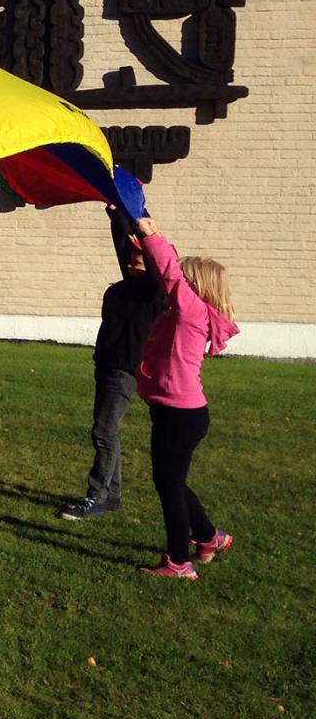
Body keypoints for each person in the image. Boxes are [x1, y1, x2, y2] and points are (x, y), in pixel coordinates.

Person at [132, 217, 239, 580]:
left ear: (195, 287)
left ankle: (178, 562)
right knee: (171, 481)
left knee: (169, 485)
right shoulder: (185, 313)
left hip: (181, 414)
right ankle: (210, 537)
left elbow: (170, 275)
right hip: (176, 411)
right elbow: (170, 274)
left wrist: (153, 237)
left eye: (183, 279)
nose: (172, 282)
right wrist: (151, 235)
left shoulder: (191, 311)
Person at [59, 208, 160, 521]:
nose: (131, 261)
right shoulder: (124, 287)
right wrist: (117, 214)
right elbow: (123, 245)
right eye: (129, 258)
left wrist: (143, 224)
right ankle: (111, 494)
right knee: (107, 432)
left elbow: (155, 256)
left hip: (125, 372)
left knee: (103, 432)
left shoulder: (154, 294)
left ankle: (99, 495)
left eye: (138, 258)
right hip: (105, 367)